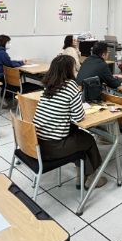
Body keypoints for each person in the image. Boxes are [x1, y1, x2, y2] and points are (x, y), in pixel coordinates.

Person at [33, 55, 106, 189]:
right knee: (88, 139)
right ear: (68, 70)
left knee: (77, 135)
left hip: (37, 143)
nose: (76, 70)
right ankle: (92, 178)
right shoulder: (71, 86)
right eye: (74, 68)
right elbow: (78, 117)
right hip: (54, 148)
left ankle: (82, 176)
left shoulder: (48, 86)